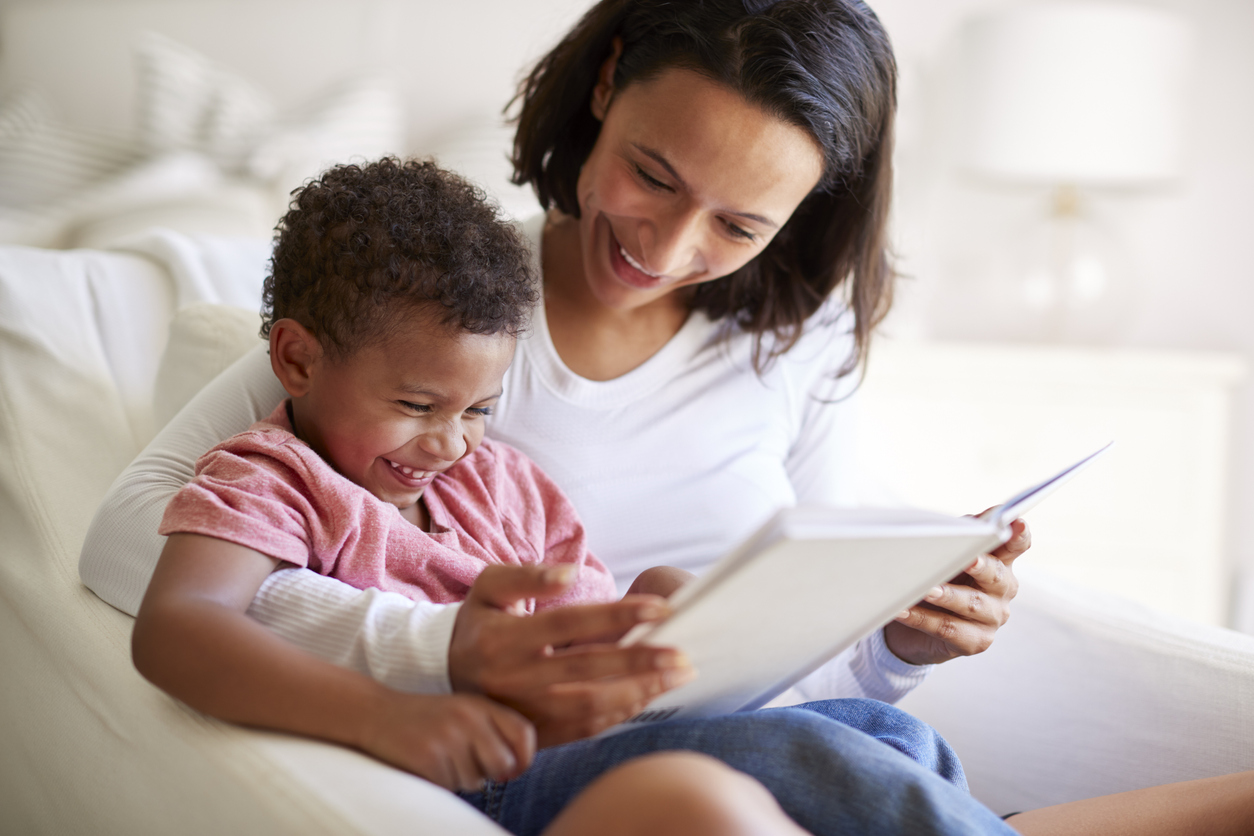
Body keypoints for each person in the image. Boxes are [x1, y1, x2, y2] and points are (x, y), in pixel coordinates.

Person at [130, 156, 996, 836]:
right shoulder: (273, 476)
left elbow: (586, 621)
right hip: (503, 774)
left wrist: (657, 613)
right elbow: (176, 627)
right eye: (414, 406)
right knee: (828, 756)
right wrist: (387, 717)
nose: (451, 441)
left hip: (611, 736)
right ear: (297, 360)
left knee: (894, 741)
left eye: (478, 408)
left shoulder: (504, 483)